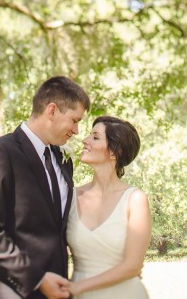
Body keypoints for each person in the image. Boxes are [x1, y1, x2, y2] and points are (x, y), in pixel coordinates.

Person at [0, 76, 90, 299]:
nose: (76, 130)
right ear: (52, 111)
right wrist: (37, 278)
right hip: (12, 291)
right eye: (74, 120)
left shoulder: (63, 161)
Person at [65, 116, 151, 299]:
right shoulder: (70, 196)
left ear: (114, 152)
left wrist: (77, 287)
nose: (84, 140)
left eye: (95, 137)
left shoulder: (135, 199)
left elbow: (133, 266)